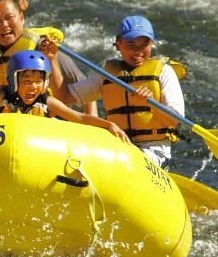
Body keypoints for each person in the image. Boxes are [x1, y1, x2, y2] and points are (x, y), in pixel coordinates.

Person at [49, 15, 186, 168]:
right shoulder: (106, 74)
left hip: (154, 150)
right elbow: (63, 97)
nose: (138, 51)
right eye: (131, 44)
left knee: (125, 160)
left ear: (152, 44)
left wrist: (150, 105)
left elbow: (175, 120)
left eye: (144, 45)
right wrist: (52, 59)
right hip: (116, 144)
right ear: (118, 44)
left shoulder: (164, 72)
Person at [0, 0, 97, 115]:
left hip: (45, 115)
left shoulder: (43, 49)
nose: (4, 25)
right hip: (5, 116)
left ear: (21, 18)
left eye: (9, 18)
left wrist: (52, 60)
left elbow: (87, 92)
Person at [0, 50, 128, 141]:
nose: (33, 87)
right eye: (27, 81)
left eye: (39, 81)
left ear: (45, 83)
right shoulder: (4, 95)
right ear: (14, 80)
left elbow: (79, 117)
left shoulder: (46, 101)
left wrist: (108, 125)